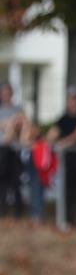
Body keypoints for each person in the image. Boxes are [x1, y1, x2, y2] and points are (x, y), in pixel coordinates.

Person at [46, 87, 76, 233]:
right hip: (67, 162)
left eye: (75, 99)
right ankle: (67, 221)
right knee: (68, 192)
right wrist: (49, 142)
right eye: (70, 99)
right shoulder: (63, 118)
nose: (73, 102)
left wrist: (62, 143)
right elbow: (52, 134)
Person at [0, 82, 26, 218]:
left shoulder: (18, 109)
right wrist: (10, 125)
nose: (6, 95)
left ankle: (18, 212)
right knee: (2, 181)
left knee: (16, 181)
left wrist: (9, 127)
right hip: (1, 150)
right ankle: (2, 210)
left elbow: (21, 126)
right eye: (3, 92)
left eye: (8, 92)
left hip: (14, 150)